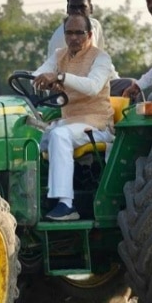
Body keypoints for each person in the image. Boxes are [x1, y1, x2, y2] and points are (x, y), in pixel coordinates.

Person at [33, 14, 114, 221]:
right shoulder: (60, 55)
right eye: (69, 32)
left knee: (59, 135)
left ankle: (66, 205)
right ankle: (36, 196)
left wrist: (60, 77)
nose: (74, 37)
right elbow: (38, 74)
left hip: (96, 124)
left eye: (80, 33)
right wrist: (44, 79)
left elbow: (93, 86)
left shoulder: (101, 58)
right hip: (70, 121)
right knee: (31, 137)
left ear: (89, 34)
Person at [47, 0, 134, 98]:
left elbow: (102, 59)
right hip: (68, 89)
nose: (77, 11)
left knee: (131, 86)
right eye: (73, 7)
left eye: (82, 7)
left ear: (91, 8)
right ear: (67, 10)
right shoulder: (61, 36)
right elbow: (56, 75)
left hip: (95, 83)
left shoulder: (95, 26)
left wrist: (117, 80)